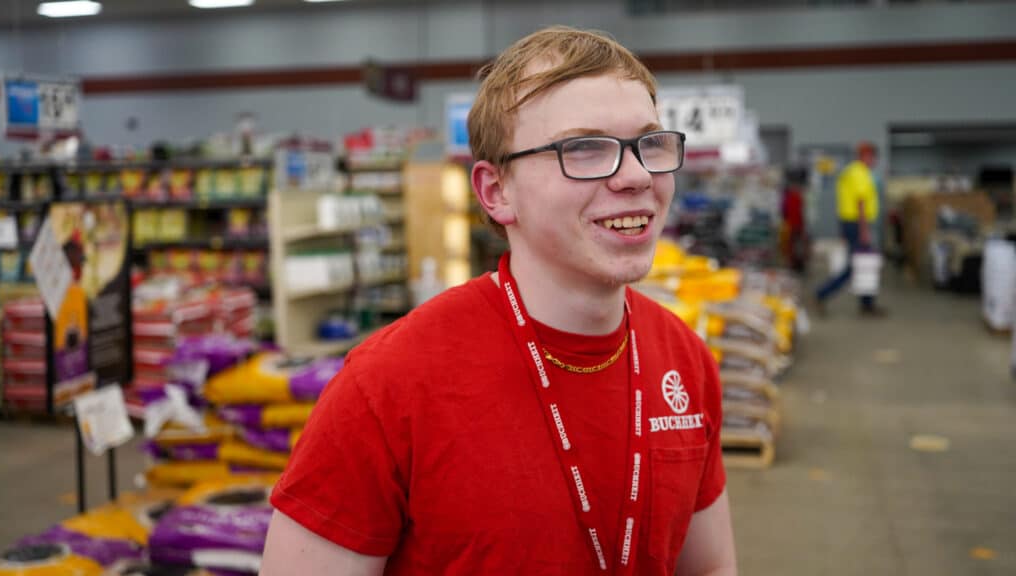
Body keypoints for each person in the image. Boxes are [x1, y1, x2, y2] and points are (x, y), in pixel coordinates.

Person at [261, 26, 736, 575]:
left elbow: (711, 567)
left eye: (650, 144)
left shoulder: (685, 359)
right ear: (496, 192)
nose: (636, 175)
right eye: (584, 148)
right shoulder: (388, 385)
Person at [815, 141, 885, 316]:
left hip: (850, 223)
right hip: (858, 223)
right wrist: (864, 231)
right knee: (856, 265)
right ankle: (822, 293)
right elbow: (860, 202)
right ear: (865, 156)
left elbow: (845, 200)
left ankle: (867, 304)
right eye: (873, 157)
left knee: (862, 263)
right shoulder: (860, 173)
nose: (874, 161)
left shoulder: (850, 172)